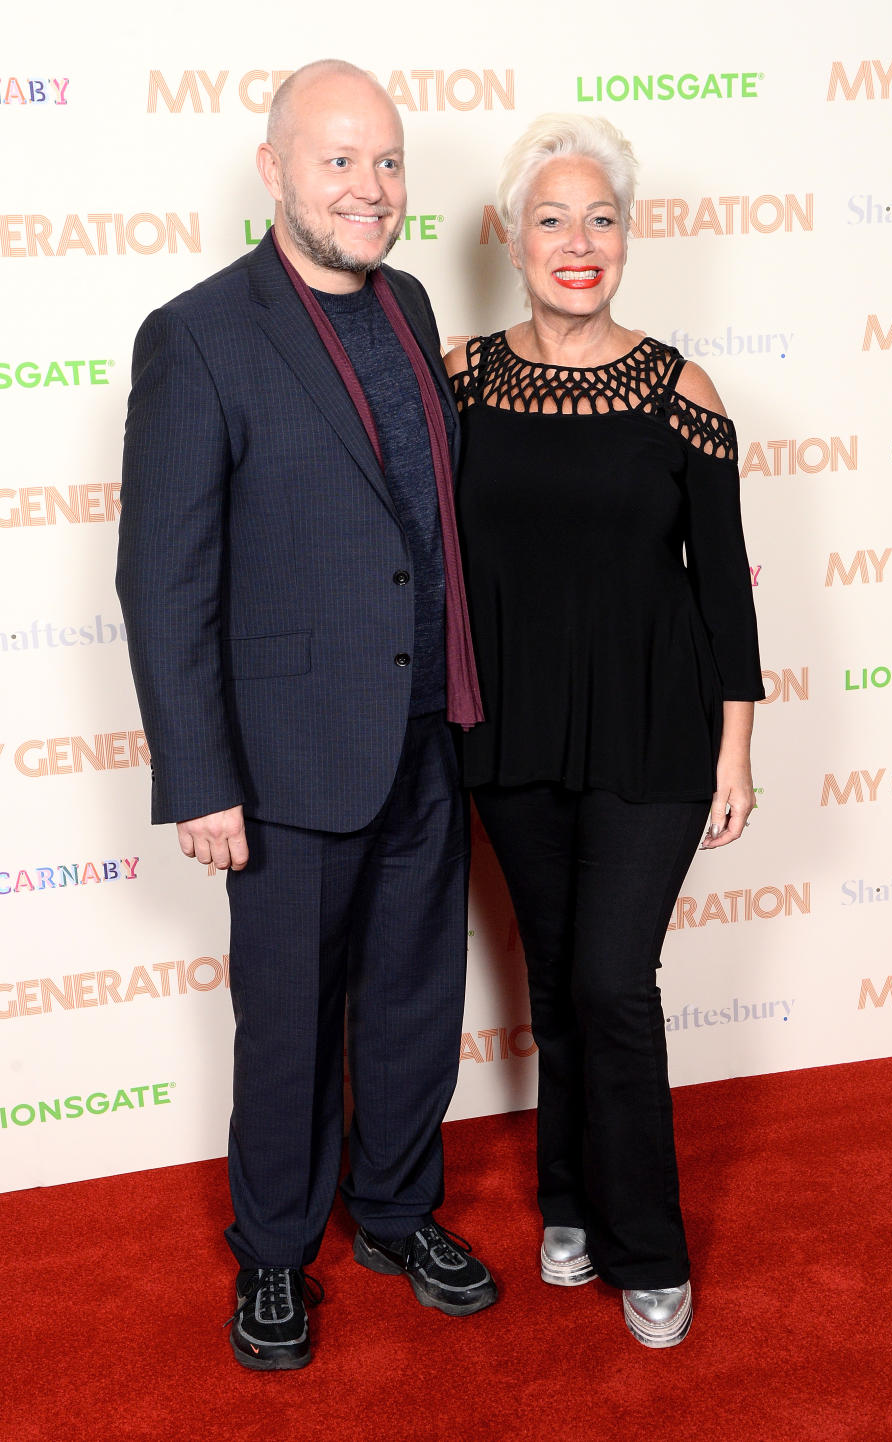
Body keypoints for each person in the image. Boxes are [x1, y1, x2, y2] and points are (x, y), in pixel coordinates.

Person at [117, 59, 496, 1373]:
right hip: (281, 762)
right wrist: (199, 773)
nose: (370, 187)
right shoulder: (201, 332)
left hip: (421, 734)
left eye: (386, 163)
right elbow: (162, 573)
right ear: (274, 171)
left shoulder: (409, 300)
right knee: (288, 1017)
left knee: (410, 996)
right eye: (339, 160)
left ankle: (395, 1212)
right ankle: (274, 1251)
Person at [444, 114, 763, 1348]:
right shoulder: (462, 377)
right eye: (553, 218)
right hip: (513, 734)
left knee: (613, 980)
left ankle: (648, 1242)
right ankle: (568, 1197)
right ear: (512, 238)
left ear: (627, 237)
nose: (580, 242)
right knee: (562, 981)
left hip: (653, 733)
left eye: (603, 217)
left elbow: (723, 584)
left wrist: (734, 751)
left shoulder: (682, 391)